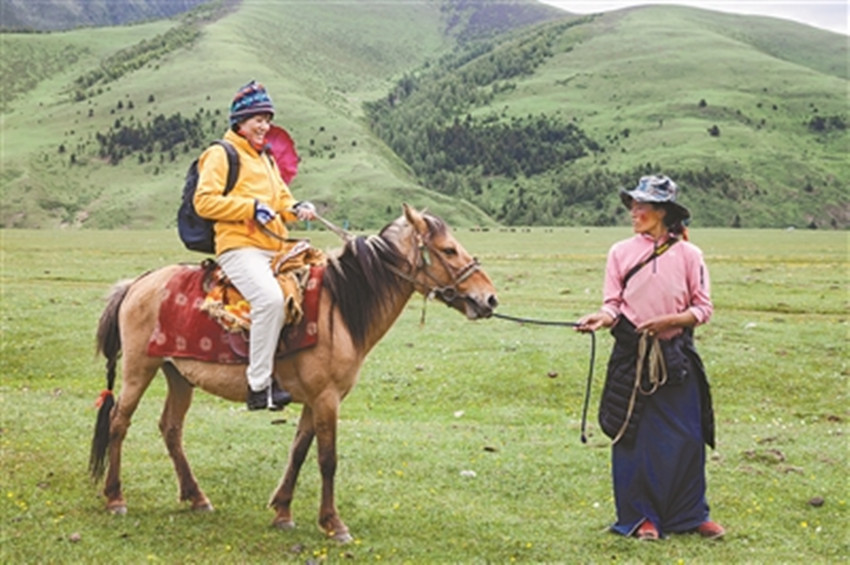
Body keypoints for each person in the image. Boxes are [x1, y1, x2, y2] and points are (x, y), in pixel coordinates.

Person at [576, 175, 725, 541]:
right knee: (633, 436)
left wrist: (670, 321)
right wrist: (602, 318)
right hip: (633, 354)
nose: (634, 212)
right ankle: (640, 517)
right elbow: (613, 304)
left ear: (663, 212)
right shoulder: (619, 252)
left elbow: (703, 308)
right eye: (633, 205)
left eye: (642, 206)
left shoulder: (690, 255)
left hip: (675, 355)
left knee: (688, 435)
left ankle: (691, 514)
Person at [194, 80, 316, 411]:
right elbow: (203, 202)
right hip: (239, 247)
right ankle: (259, 385)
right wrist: (250, 207)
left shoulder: (266, 159)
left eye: (268, 119)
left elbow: (282, 202)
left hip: (274, 248)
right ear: (240, 121)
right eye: (258, 119)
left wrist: (298, 208)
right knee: (270, 301)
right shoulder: (221, 154)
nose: (265, 126)